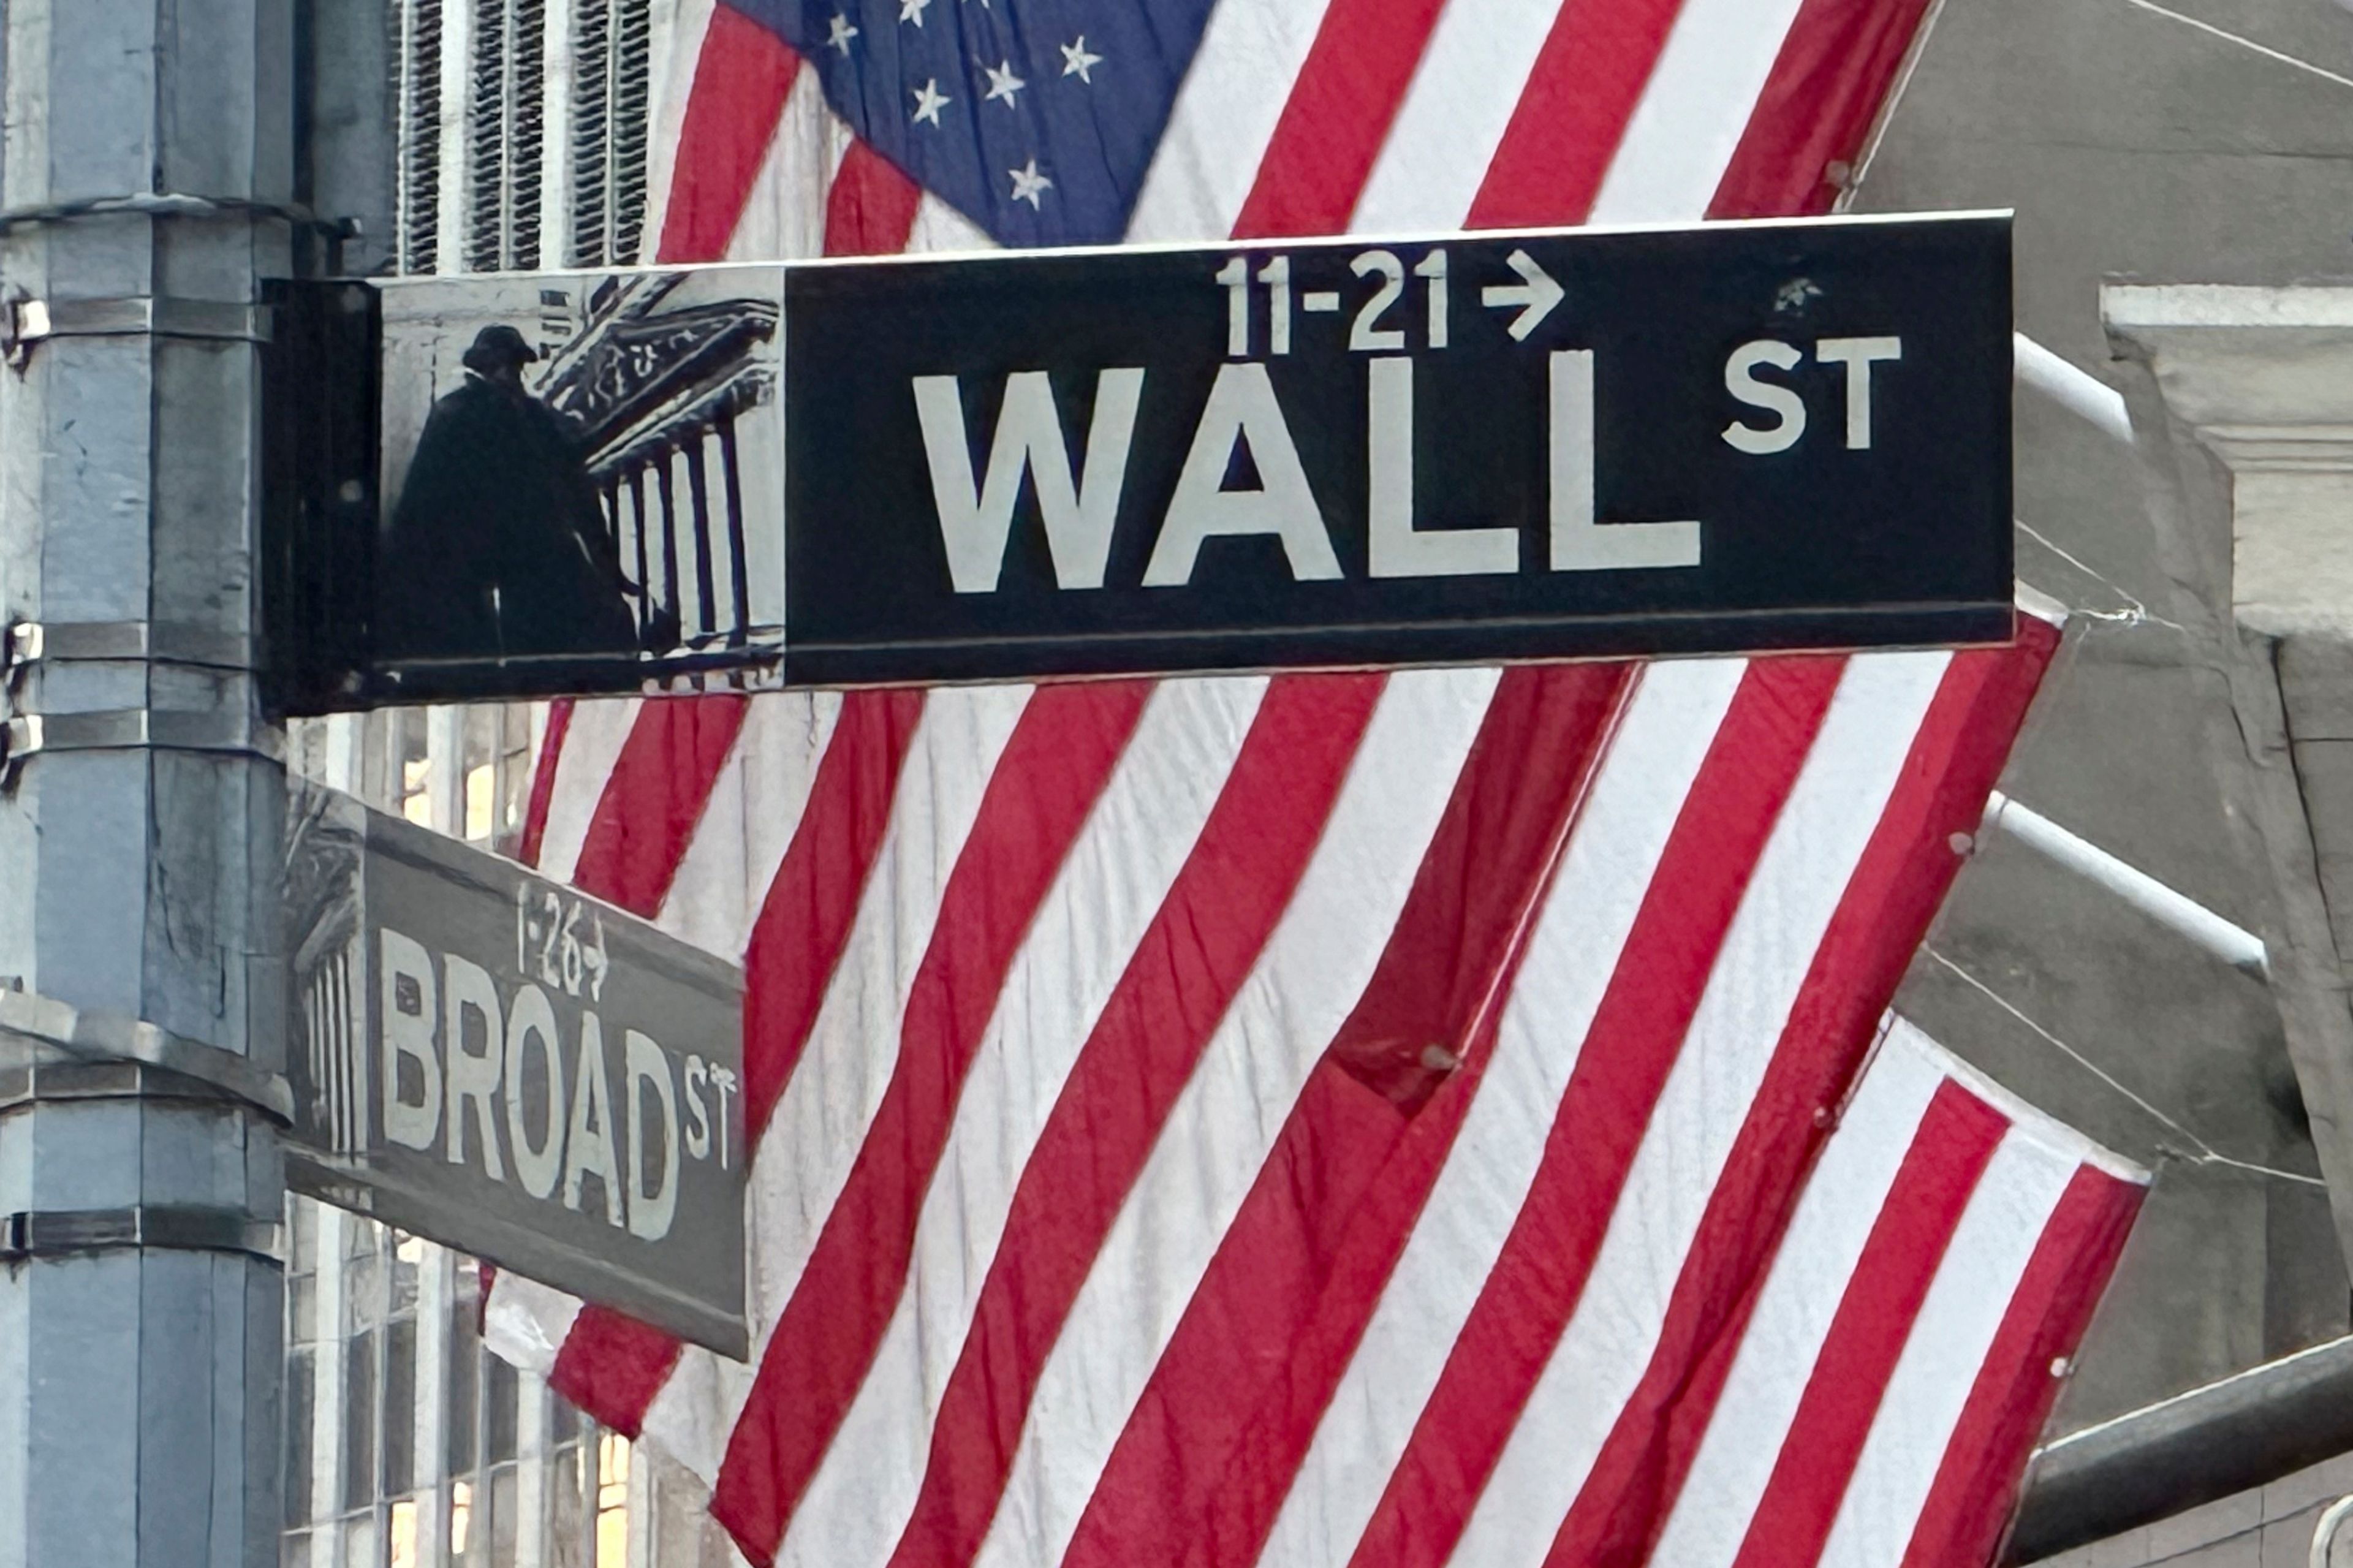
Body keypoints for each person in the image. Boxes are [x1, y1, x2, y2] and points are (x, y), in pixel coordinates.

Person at [377, 323, 661, 663]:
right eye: (502, 364)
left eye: (515, 365)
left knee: (575, 632)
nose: (511, 373)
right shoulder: (457, 414)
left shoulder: (534, 416)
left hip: (533, 550)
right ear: (484, 366)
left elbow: (576, 489)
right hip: (474, 555)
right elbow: (424, 498)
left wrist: (608, 564)